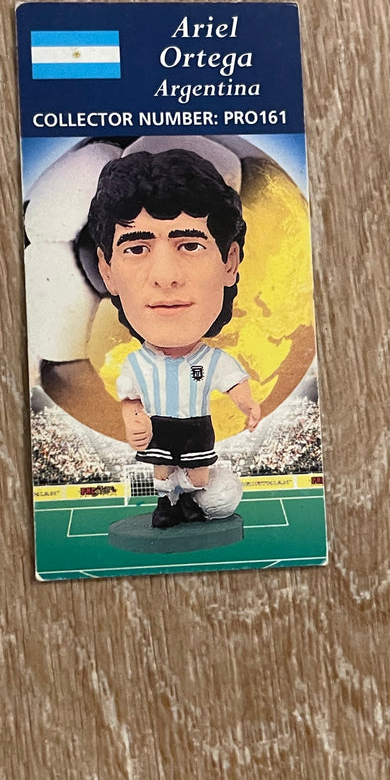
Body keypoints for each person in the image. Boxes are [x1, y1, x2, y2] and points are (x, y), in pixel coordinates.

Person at [88, 148, 261, 528]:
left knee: (198, 476)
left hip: (198, 429)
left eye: (190, 245)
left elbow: (234, 382)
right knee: (162, 472)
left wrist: (248, 404)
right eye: (136, 248)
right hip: (160, 428)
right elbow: (131, 399)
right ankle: (168, 504)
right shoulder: (136, 364)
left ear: (230, 261)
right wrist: (134, 420)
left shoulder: (212, 361)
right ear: (107, 270)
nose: (165, 277)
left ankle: (190, 501)